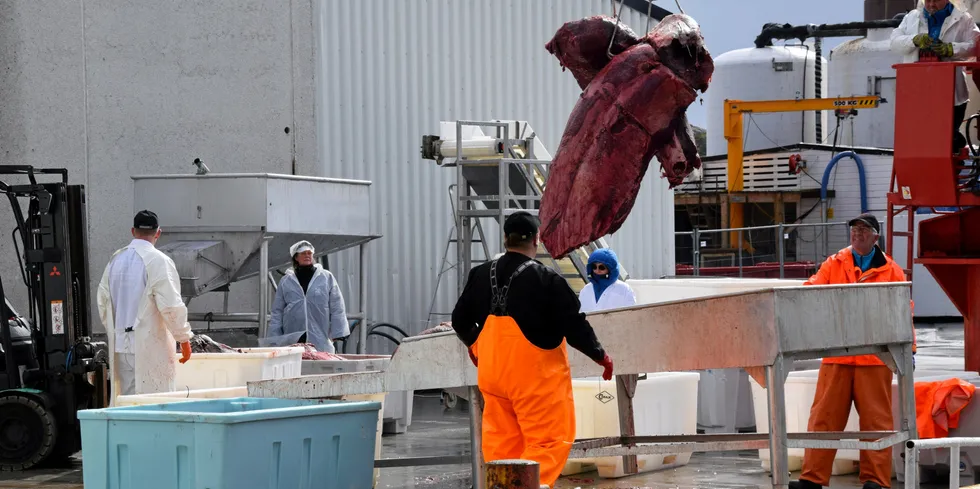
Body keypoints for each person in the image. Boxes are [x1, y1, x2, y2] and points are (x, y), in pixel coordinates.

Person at [450, 211, 615, 489]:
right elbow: (574, 326)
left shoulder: (479, 274)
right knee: (548, 441)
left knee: (502, 444)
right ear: (536, 240)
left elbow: (459, 321)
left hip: (493, 377)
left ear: (505, 239)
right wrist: (601, 356)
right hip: (534, 382)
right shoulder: (547, 279)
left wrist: (476, 344)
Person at [789, 213, 916, 489]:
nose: (857, 234)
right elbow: (811, 291)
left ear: (875, 237)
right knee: (823, 418)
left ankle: (876, 481)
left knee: (876, 422)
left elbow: (903, 311)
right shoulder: (834, 264)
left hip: (875, 358)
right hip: (837, 354)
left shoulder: (891, 271)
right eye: (854, 230)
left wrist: (910, 349)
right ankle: (811, 479)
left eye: (863, 230)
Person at [97, 210, 194, 404]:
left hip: (120, 347)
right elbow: (171, 306)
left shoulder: (115, 260)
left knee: (127, 402)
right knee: (154, 404)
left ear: (133, 231)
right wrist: (183, 338)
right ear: (158, 232)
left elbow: (102, 302)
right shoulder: (158, 261)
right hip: (150, 347)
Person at [890, 0, 980, 152]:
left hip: (952, 96)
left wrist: (951, 49)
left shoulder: (964, 19)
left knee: (947, 140)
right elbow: (894, 42)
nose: (931, 4)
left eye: (936, 0)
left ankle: (951, 165)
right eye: (928, 0)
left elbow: (975, 45)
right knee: (919, 139)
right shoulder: (911, 18)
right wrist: (914, 40)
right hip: (917, 92)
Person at [263, 240, 350, 353]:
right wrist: (275, 336)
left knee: (321, 364)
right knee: (296, 363)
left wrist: (339, 332)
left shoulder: (326, 277)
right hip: (293, 335)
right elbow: (277, 311)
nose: (307, 255)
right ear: (296, 257)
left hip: (320, 336)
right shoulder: (286, 281)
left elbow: (337, 306)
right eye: (303, 253)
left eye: (309, 253)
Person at [578, 248, 636, 313]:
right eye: (594, 266)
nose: (597, 270)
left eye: (601, 267)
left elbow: (631, 315)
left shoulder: (624, 289)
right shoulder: (586, 290)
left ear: (610, 269)